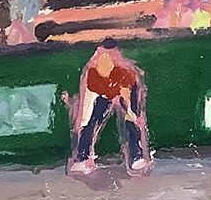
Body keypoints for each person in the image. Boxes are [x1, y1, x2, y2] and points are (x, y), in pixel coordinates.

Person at [64, 46, 151, 177]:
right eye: (100, 61)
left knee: (130, 121)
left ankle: (136, 157)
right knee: (90, 122)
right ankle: (82, 158)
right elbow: (89, 98)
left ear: (113, 62)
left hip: (124, 91)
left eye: (107, 61)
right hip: (103, 94)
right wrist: (83, 120)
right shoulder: (92, 75)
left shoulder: (124, 74)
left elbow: (126, 97)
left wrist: (130, 112)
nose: (103, 64)